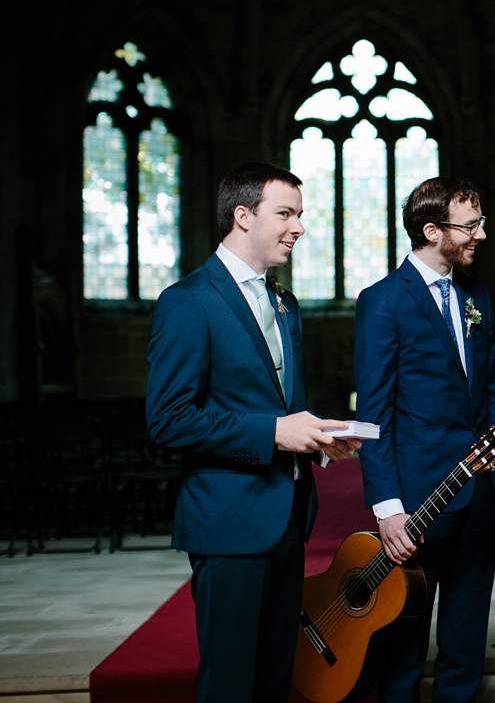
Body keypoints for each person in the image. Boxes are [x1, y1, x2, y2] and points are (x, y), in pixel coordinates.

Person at [146, 161, 359, 703]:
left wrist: (320, 437)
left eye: (300, 215)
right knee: (231, 684)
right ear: (243, 216)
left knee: (272, 679)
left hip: (287, 518)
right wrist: (272, 433)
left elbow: (286, 406)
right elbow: (168, 419)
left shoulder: (283, 303)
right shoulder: (188, 301)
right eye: (285, 213)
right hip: (229, 521)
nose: (299, 227)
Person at [354, 176, 495, 703]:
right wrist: (387, 509)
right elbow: (375, 415)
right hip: (419, 501)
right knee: (403, 635)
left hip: (478, 494)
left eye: (481, 222)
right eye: (470, 225)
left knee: (466, 630)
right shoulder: (383, 302)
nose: (481, 234)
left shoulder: (477, 295)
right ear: (432, 230)